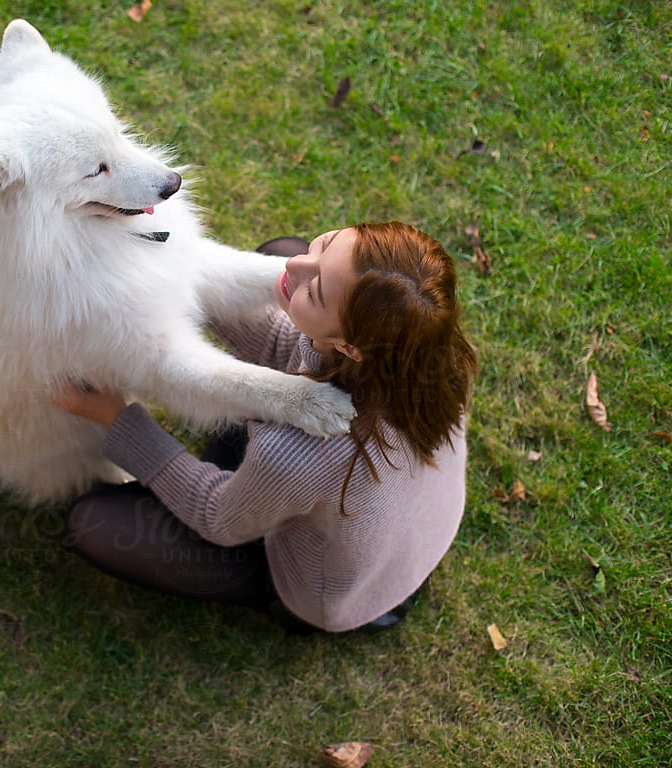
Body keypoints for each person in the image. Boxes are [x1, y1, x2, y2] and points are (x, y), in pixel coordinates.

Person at [52, 222, 478, 634]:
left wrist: (116, 418)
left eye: (316, 290)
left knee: (91, 523)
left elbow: (218, 515)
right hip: (405, 524)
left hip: (336, 590)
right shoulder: (427, 351)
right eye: (327, 244)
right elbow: (287, 343)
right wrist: (167, 272)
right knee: (277, 255)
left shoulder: (293, 451)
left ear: (348, 347)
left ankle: (299, 605)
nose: (298, 267)